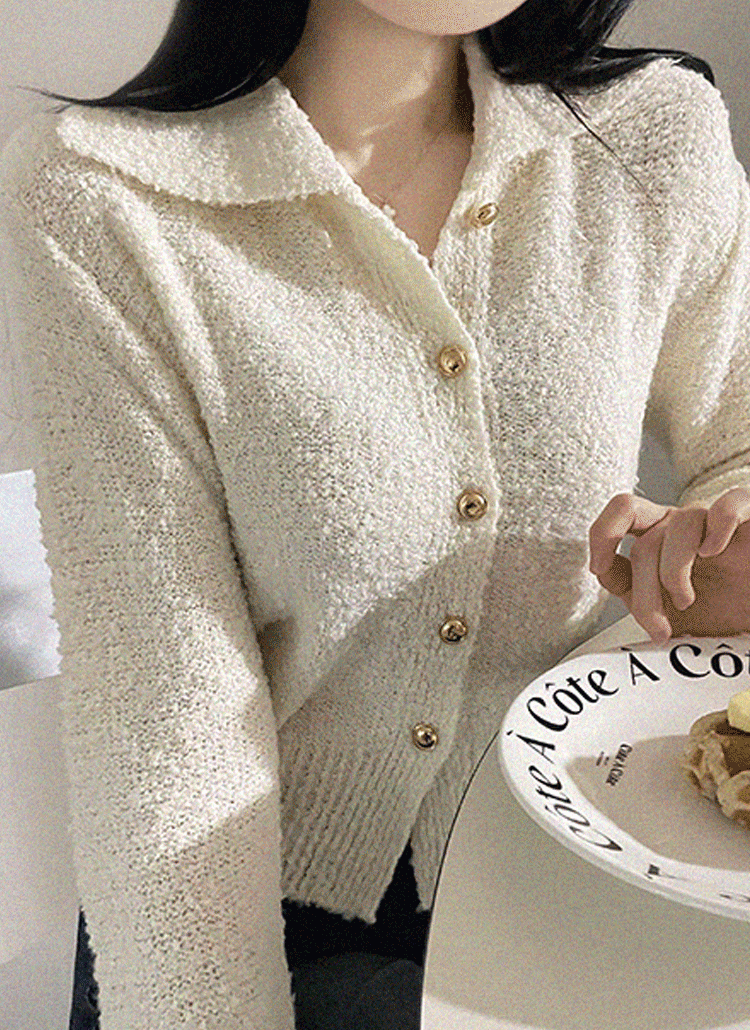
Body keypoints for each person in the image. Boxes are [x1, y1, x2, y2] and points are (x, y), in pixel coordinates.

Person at [1, 0, 750, 1027]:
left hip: (592, 869)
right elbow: (162, 709)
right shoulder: (101, 195)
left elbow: (739, 437)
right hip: (249, 919)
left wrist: (727, 533)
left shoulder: (652, 135)